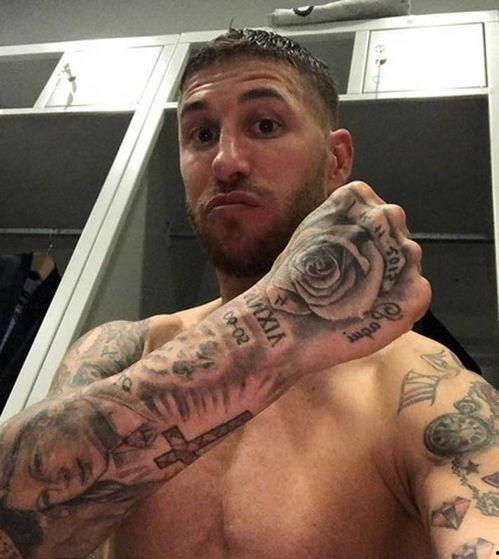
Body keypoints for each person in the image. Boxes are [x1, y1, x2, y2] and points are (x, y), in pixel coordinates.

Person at [0, 28, 493, 559]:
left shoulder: (421, 386)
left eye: (265, 125)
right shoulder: (122, 351)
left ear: (336, 161)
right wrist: (274, 324)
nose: (226, 161)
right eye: (201, 134)